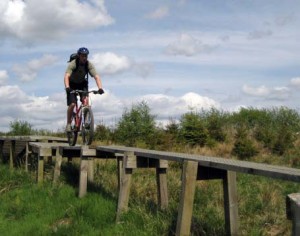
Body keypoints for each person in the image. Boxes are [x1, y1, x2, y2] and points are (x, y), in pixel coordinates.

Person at [64, 47, 104, 132]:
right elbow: (67, 76)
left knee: (86, 103)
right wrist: (67, 87)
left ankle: (86, 122)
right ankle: (68, 124)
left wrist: (100, 88)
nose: (84, 58)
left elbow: (96, 77)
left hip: (82, 84)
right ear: (79, 56)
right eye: (82, 56)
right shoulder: (73, 63)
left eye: (86, 56)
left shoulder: (89, 64)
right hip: (71, 84)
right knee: (72, 104)